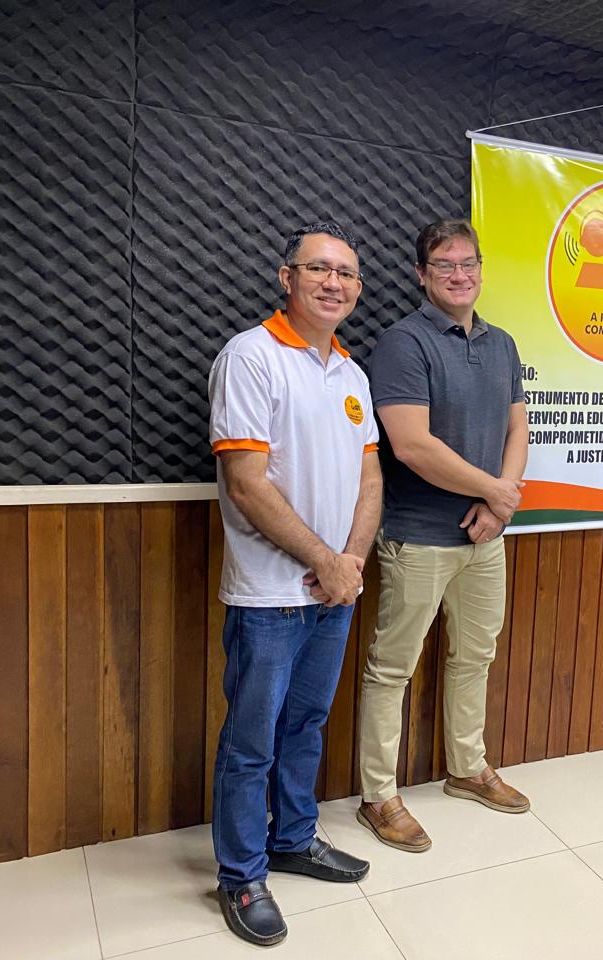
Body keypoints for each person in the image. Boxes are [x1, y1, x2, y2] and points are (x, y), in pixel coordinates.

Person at [208, 220, 382, 947]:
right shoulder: (250, 357)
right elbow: (247, 484)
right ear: (288, 278)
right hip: (269, 597)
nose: (333, 283)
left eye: (346, 273)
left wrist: (350, 563)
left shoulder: (352, 374)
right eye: (319, 269)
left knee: (306, 724)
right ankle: (242, 875)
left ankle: (293, 838)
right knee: (251, 742)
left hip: (335, 594)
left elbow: (370, 479)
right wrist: (326, 560)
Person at [354, 218, 529, 853]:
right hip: (419, 536)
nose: (460, 275)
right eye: (445, 265)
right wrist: (495, 492)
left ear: (481, 269)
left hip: (485, 536)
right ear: (421, 274)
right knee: (392, 669)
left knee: (475, 657)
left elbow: (518, 429)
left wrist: (498, 504)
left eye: (468, 263)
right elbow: (411, 445)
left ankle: (467, 768)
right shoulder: (403, 343)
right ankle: (378, 795)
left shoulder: (502, 343)